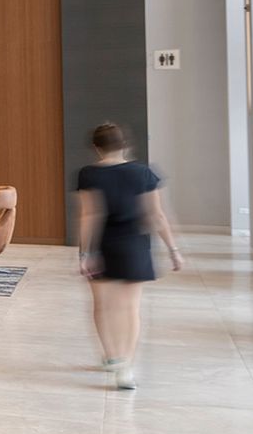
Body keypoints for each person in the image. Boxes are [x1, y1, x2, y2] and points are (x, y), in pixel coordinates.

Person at [77, 122, 184, 391]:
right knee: (130, 309)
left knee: (101, 305)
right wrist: (173, 250)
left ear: (96, 147)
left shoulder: (88, 174)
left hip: (103, 245)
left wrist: (85, 252)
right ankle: (126, 367)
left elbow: (90, 215)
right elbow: (157, 216)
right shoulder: (143, 173)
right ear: (125, 144)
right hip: (134, 245)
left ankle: (111, 356)